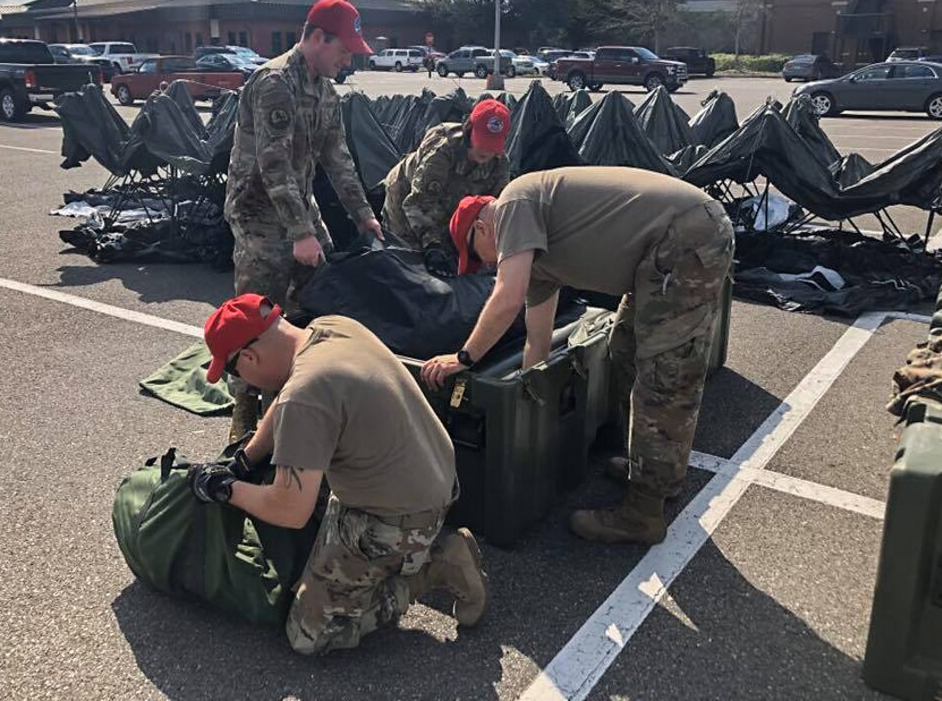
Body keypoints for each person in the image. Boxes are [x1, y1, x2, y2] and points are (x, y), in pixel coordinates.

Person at [420, 167, 734, 545]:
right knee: (625, 350)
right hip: (659, 255)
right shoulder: (539, 260)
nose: (486, 265)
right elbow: (536, 343)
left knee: (665, 376)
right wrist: (525, 410)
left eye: (477, 255)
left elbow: (507, 297)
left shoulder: (514, 204)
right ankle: (653, 473)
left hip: (686, 236)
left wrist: (463, 359)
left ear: (484, 228)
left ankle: (643, 513)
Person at [187, 294, 489, 655]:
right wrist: (246, 460)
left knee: (309, 635)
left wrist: (228, 489)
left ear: (250, 357)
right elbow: (286, 403)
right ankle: (398, 557)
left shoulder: (306, 394)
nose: (243, 383)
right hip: (433, 476)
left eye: (236, 372)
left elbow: (290, 509)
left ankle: (436, 567)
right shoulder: (329, 327)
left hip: (397, 520)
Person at [224, 0, 384, 440]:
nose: (348, 59)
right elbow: (273, 163)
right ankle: (243, 414)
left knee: (316, 293)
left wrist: (363, 216)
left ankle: (290, 395)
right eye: (344, 50)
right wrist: (299, 233)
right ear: (317, 37)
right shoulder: (275, 82)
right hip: (259, 211)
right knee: (257, 312)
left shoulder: (325, 91)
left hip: (297, 205)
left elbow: (338, 159)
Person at [382, 99, 511, 276]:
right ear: (469, 129)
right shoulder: (442, 151)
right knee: (409, 266)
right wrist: (433, 245)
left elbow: (497, 208)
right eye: (482, 141)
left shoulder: (500, 164)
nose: (486, 151)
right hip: (407, 203)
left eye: (492, 145)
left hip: (451, 207)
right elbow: (418, 202)